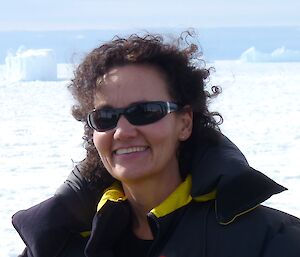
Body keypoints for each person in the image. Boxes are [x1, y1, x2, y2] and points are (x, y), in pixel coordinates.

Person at [12, 32, 300, 257]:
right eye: (106, 117)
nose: (123, 131)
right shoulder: (58, 245)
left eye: (145, 112)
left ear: (185, 122)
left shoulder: (267, 241)